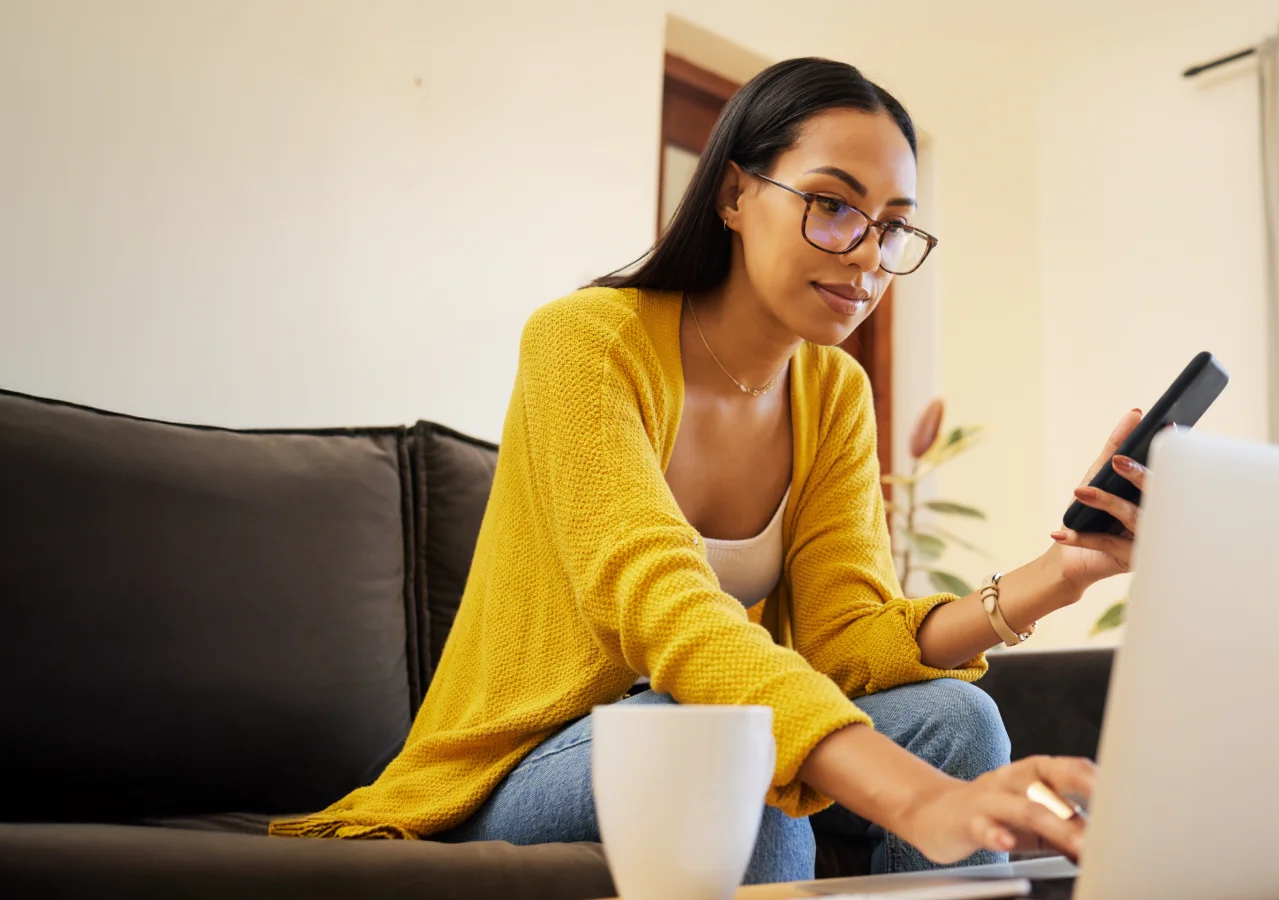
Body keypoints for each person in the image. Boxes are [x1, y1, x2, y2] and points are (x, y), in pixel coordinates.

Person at [271, 57, 1148, 884]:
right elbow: (668, 611)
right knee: (722, 757)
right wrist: (921, 801)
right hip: (517, 763)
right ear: (735, 193)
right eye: (834, 206)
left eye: (892, 226)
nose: (867, 257)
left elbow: (844, 638)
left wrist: (1059, 577)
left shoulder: (835, 390)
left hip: (700, 726)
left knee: (958, 722)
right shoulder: (584, 343)